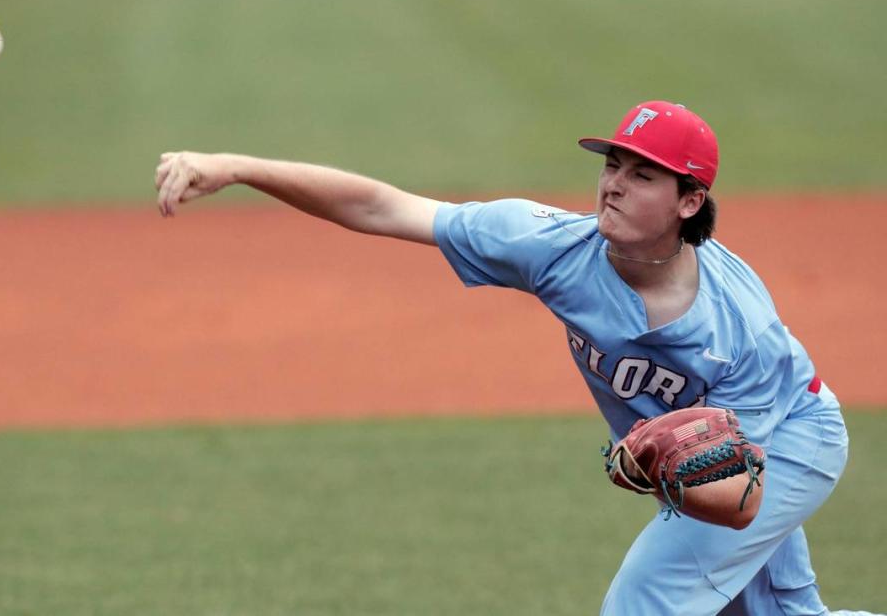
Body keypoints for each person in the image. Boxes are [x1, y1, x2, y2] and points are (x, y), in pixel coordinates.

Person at [154, 101, 879, 616]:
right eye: (615, 162)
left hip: (791, 442)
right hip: (726, 460)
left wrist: (662, 472)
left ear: (690, 201)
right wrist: (239, 166)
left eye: (644, 174)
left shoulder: (737, 325)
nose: (615, 182)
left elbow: (741, 499)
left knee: (645, 601)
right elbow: (384, 207)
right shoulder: (551, 247)